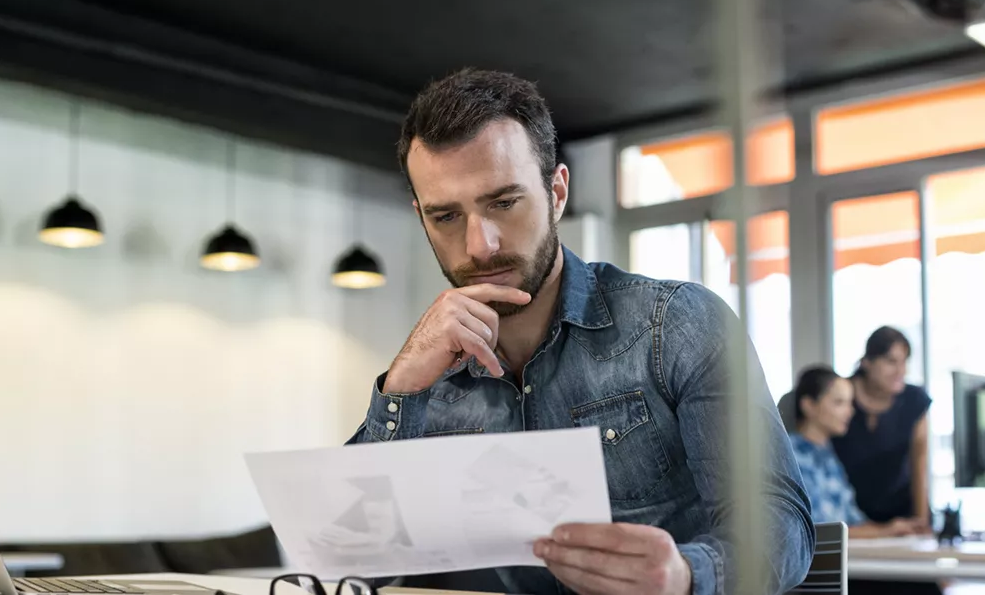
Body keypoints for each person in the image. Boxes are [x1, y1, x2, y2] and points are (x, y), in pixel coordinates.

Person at [346, 68, 814, 595]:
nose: (480, 245)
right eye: (447, 216)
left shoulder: (676, 325)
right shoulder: (430, 374)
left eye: (504, 202)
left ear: (558, 191)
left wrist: (685, 575)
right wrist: (401, 387)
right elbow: (356, 562)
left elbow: (783, 528)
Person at [788, 366, 923, 538]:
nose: (850, 412)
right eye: (839, 403)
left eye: (850, 403)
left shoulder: (828, 456)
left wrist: (893, 528)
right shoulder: (793, 457)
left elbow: (853, 520)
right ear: (808, 406)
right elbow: (823, 531)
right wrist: (886, 531)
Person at [832, 326, 932, 530]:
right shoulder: (841, 396)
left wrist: (921, 523)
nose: (900, 371)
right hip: (853, 518)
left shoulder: (914, 400)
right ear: (867, 362)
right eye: (891, 361)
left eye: (904, 362)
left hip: (901, 515)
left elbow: (919, 463)